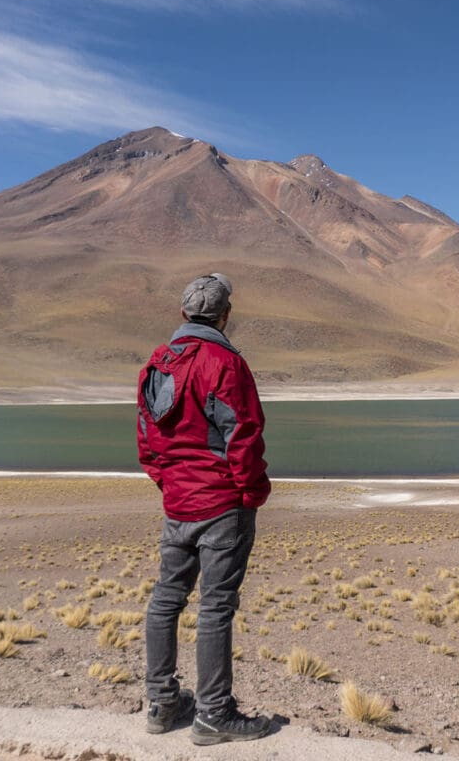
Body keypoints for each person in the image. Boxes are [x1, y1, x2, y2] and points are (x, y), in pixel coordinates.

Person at [136, 272, 272, 744]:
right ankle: (214, 714)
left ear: (183, 314)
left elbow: (147, 436)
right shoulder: (224, 363)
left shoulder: (157, 363)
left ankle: (161, 702)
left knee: (166, 597)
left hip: (178, 503)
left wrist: (168, 481)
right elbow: (244, 434)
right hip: (220, 503)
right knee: (215, 606)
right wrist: (251, 492)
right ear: (226, 316)